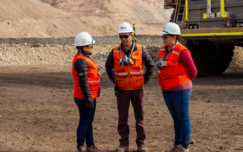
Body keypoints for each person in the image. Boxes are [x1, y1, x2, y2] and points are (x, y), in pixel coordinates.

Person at [105, 22, 155, 152]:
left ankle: (141, 144)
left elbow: (150, 65)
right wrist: (115, 82)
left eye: (125, 36)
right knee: (122, 119)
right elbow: (108, 66)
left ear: (132, 35)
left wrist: (144, 80)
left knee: (140, 118)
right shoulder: (115, 51)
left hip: (137, 89)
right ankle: (124, 144)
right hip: (122, 90)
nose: (123, 39)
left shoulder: (140, 49)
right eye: (120, 37)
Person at [157, 22, 197, 152]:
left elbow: (193, 71)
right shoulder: (163, 50)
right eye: (163, 36)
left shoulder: (182, 51)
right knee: (176, 118)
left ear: (174, 37)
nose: (163, 39)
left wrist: (183, 81)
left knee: (183, 117)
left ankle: (184, 147)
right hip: (167, 89)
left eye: (166, 36)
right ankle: (177, 144)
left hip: (181, 89)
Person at [72, 31, 104, 152]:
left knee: (88, 121)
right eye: (91, 46)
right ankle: (81, 146)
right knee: (85, 122)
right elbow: (83, 82)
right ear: (84, 47)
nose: (92, 48)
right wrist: (89, 99)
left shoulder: (85, 58)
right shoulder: (81, 61)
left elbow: (91, 77)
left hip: (89, 95)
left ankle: (90, 145)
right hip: (84, 97)